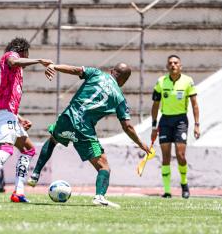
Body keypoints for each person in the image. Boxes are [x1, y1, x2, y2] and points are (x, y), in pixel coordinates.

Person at [28, 63, 150, 208]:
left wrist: (54, 66)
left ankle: (35, 174)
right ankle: (99, 196)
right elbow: (127, 126)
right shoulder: (119, 98)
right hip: (84, 129)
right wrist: (140, 143)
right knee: (104, 167)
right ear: (124, 80)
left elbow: (75, 70)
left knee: (53, 139)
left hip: (68, 117)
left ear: (111, 71)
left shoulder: (96, 73)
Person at [0, 37, 53, 203]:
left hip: (9, 113)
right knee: (6, 149)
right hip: (3, 112)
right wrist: (40, 60)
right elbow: (14, 61)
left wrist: (19, 117)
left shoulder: (16, 71)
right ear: (23, 51)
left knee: (28, 149)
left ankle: (18, 192)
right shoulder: (10, 56)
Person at [150, 55, 200, 199]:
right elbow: (155, 105)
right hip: (165, 121)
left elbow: (195, 104)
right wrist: (154, 126)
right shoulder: (161, 82)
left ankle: (184, 184)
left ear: (180, 66)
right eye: (170, 63)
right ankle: (167, 191)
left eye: (176, 63)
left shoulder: (188, 81)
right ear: (167, 66)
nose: (173, 65)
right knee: (165, 157)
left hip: (181, 121)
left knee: (180, 155)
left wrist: (197, 125)